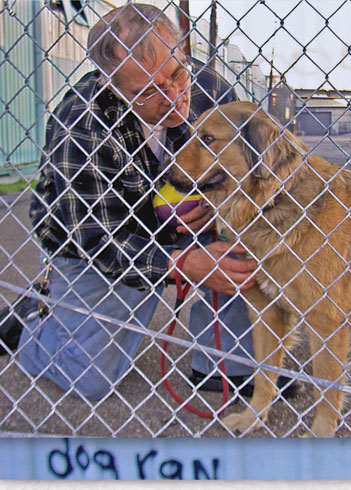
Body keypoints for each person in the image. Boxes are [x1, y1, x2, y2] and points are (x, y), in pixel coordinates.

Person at [0, 4, 259, 400]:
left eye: (176, 74)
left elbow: (250, 176)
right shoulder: (82, 121)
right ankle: (31, 324)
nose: (175, 99)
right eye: (150, 91)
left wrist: (218, 205)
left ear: (183, 53)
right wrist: (181, 262)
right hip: (95, 245)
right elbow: (96, 237)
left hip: (187, 225)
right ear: (113, 85)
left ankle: (224, 364)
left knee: (246, 242)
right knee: (90, 380)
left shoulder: (213, 92)